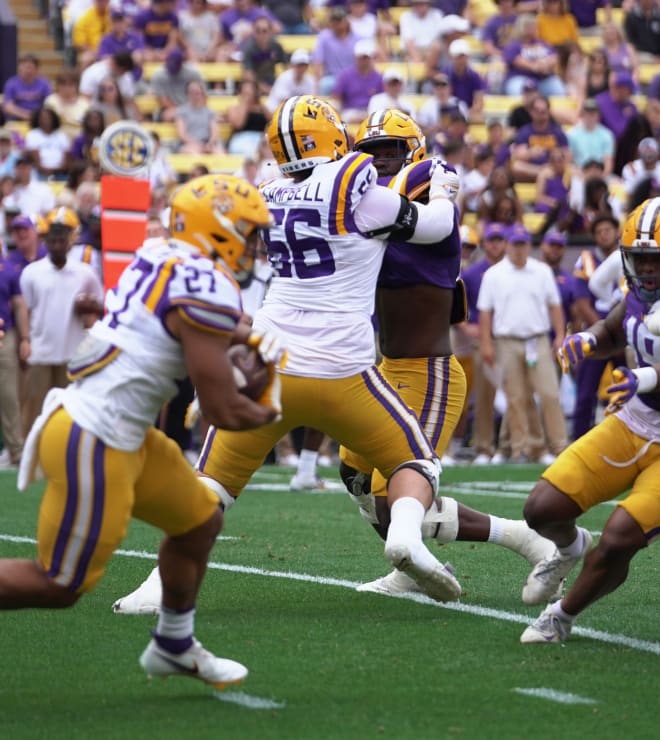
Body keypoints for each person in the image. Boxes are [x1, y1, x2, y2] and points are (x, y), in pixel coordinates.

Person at [112, 95, 509, 614]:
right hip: (345, 371)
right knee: (415, 463)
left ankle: (155, 588)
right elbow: (434, 226)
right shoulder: (356, 189)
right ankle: (406, 537)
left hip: (270, 367)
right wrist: (446, 193)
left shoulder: (269, 191)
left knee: (211, 484)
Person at [0, 173, 281, 689]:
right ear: (218, 229)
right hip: (95, 435)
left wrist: (247, 335)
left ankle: (174, 643)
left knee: (198, 522)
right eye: (245, 230)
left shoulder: (159, 253)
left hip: (121, 430)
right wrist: (272, 408)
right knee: (59, 582)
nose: (252, 244)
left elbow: (175, 318)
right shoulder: (207, 283)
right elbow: (221, 410)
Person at [337, 110, 557, 595]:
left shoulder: (425, 194)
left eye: (391, 152)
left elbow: (436, 180)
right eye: (371, 154)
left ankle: (526, 540)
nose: (381, 164)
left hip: (430, 370)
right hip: (386, 369)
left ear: (411, 153)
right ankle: (410, 566)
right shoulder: (368, 210)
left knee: (391, 487)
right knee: (353, 472)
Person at [520, 196, 660, 644]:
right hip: (634, 422)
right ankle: (570, 546)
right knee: (541, 509)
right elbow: (615, 329)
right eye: (641, 260)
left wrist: (642, 376)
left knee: (620, 536)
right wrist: (587, 338)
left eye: (656, 261)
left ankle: (561, 615)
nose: (648, 271)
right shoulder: (638, 292)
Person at [478, 223, 568, 463]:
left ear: (529, 245)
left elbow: (555, 305)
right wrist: (486, 343)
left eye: (523, 244)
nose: (519, 249)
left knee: (549, 393)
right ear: (508, 245)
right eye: (515, 244)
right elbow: (485, 313)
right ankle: (522, 448)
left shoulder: (542, 271)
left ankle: (559, 446)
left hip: (537, 339)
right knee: (516, 397)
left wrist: (560, 334)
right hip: (506, 341)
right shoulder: (493, 274)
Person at [571, 212, 625, 440]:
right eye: (599, 231)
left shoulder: (629, 255)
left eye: (608, 230)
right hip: (598, 328)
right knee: (586, 391)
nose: (604, 235)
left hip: (626, 330)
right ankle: (578, 439)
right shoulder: (586, 260)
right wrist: (605, 330)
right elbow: (582, 302)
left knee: (631, 387)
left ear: (617, 232)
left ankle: (631, 438)